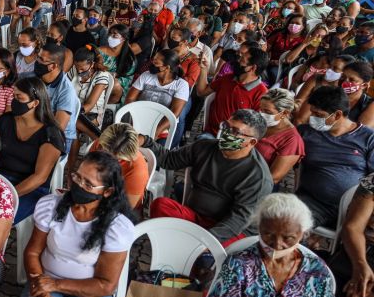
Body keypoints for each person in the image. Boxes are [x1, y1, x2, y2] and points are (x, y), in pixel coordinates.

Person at [208, 193, 335, 297]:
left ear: (302, 233)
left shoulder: (317, 272)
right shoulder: (240, 265)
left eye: (288, 237)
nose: (277, 244)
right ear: (259, 227)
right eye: (268, 234)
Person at [24, 151, 134, 297]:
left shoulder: (116, 227)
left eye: (88, 184)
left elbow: (106, 285)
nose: (79, 186)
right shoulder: (52, 207)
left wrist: (56, 285)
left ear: (106, 191)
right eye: (77, 177)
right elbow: (33, 252)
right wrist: (40, 286)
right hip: (45, 280)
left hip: (90, 293)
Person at [146, 109, 273, 245]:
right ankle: (182, 245)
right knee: (161, 205)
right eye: (226, 126)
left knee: (205, 257)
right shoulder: (205, 147)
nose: (226, 133)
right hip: (197, 217)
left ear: (251, 142)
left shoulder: (258, 177)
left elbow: (237, 221)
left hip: (230, 230)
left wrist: (204, 243)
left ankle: (185, 247)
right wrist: (146, 142)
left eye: (235, 132)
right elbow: (169, 160)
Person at [296, 85, 374, 227]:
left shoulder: (368, 138)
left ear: (337, 115)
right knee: (284, 222)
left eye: (319, 115)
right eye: (312, 113)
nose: (312, 119)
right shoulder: (306, 133)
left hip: (355, 208)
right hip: (312, 202)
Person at [0, 77, 65, 224]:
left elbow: (39, 177)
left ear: (35, 103)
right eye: (13, 96)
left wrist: (9, 194)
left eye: (19, 97)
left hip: (32, 189)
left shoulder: (50, 134)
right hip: (2, 180)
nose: (13, 101)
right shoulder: (6, 120)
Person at [197, 45, 269, 136]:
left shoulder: (261, 94)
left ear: (253, 68)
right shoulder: (228, 78)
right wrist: (204, 69)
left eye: (242, 60)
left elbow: (255, 128)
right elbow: (201, 92)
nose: (237, 61)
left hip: (234, 140)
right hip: (211, 133)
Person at [125, 48, 189, 139]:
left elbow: (174, 113)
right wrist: (136, 119)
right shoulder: (146, 75)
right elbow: (130, 98)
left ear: (167, 67)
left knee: (154, 150)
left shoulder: (181, 85)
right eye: (153, 60)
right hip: (139, 119)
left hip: (163, 126)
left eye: (156, 63)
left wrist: (156, 132)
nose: (152, 64)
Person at [35, 43, 80, 154]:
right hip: (38, 126)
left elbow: (59, 127)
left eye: (41, 59)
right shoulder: (37, 77)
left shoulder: (66, 91)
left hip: (59, 137)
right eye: (38, 56)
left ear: (53, 66)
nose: (37, 61)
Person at [255, 88, 305, 185]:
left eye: (268, 112)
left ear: (284, 113)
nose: (261, 114)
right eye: (261, 109)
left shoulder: (292, 140)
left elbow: (274, 177)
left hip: (257, 183)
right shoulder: (259, 124)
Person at [95, 123, 149, 211]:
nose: (104, 160)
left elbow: (124, 211)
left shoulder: (138, 172)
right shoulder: (102, 145)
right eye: (103, 152)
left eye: (114, 159)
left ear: (125, 158)